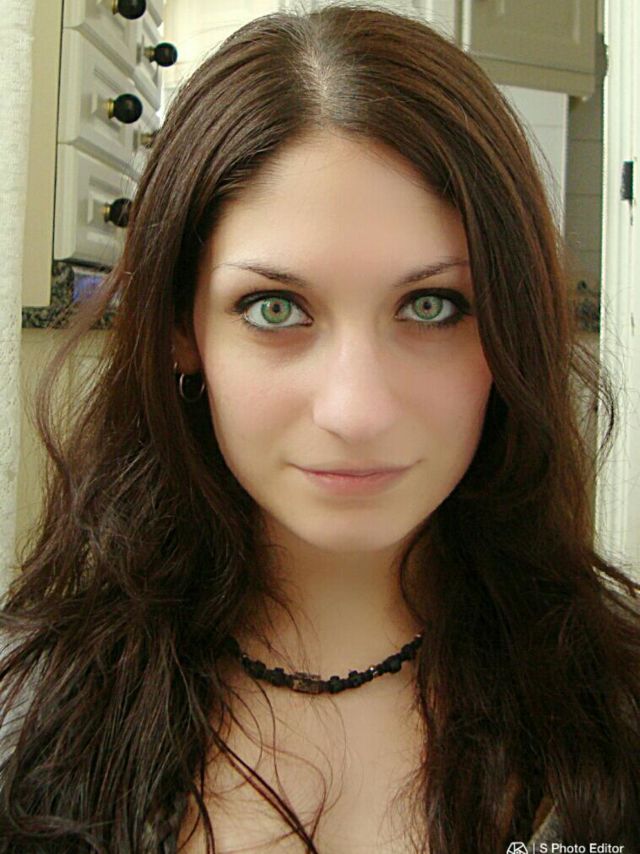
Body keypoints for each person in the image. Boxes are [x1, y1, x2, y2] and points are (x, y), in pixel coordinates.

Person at [1, 2, 639, 852]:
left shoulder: (616, 711)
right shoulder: (32, 711)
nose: (356, 410)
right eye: (275, 308)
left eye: (432, 305)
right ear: (184, 329)